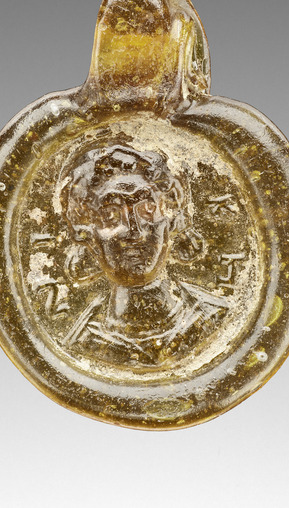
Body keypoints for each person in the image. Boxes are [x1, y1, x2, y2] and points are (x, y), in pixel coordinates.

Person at [59, 143, 234, 368]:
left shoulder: (212, 316)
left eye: (147, 210)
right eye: (111, 215)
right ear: (88, 235)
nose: (134, 232)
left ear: (171, 221)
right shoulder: (85, 341)